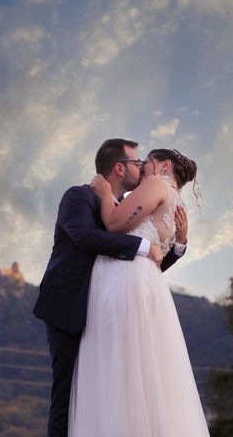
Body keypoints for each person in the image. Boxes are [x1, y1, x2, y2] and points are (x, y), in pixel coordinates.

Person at [32, 139, 189, 437]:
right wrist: (143, 245)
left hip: (110, 307)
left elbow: (143, 269)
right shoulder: (79, 196)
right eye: (137, 162)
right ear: (119, 168)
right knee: (69, 395)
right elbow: (85, 237)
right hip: (71, 308)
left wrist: (178, 245)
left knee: (119, 389)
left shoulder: (128, 210)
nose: (143, 167)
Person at [68, 148, 209, 437]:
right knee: (144, 369)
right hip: (145, 281)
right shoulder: (175, 203)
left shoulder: (156, 184)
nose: (144, 167)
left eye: (148, 162)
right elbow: (156, 256)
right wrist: (180, 243)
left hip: (125, 279)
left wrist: (105, 193)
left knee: (120, 366)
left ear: (164, 166)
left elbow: (115, 224)